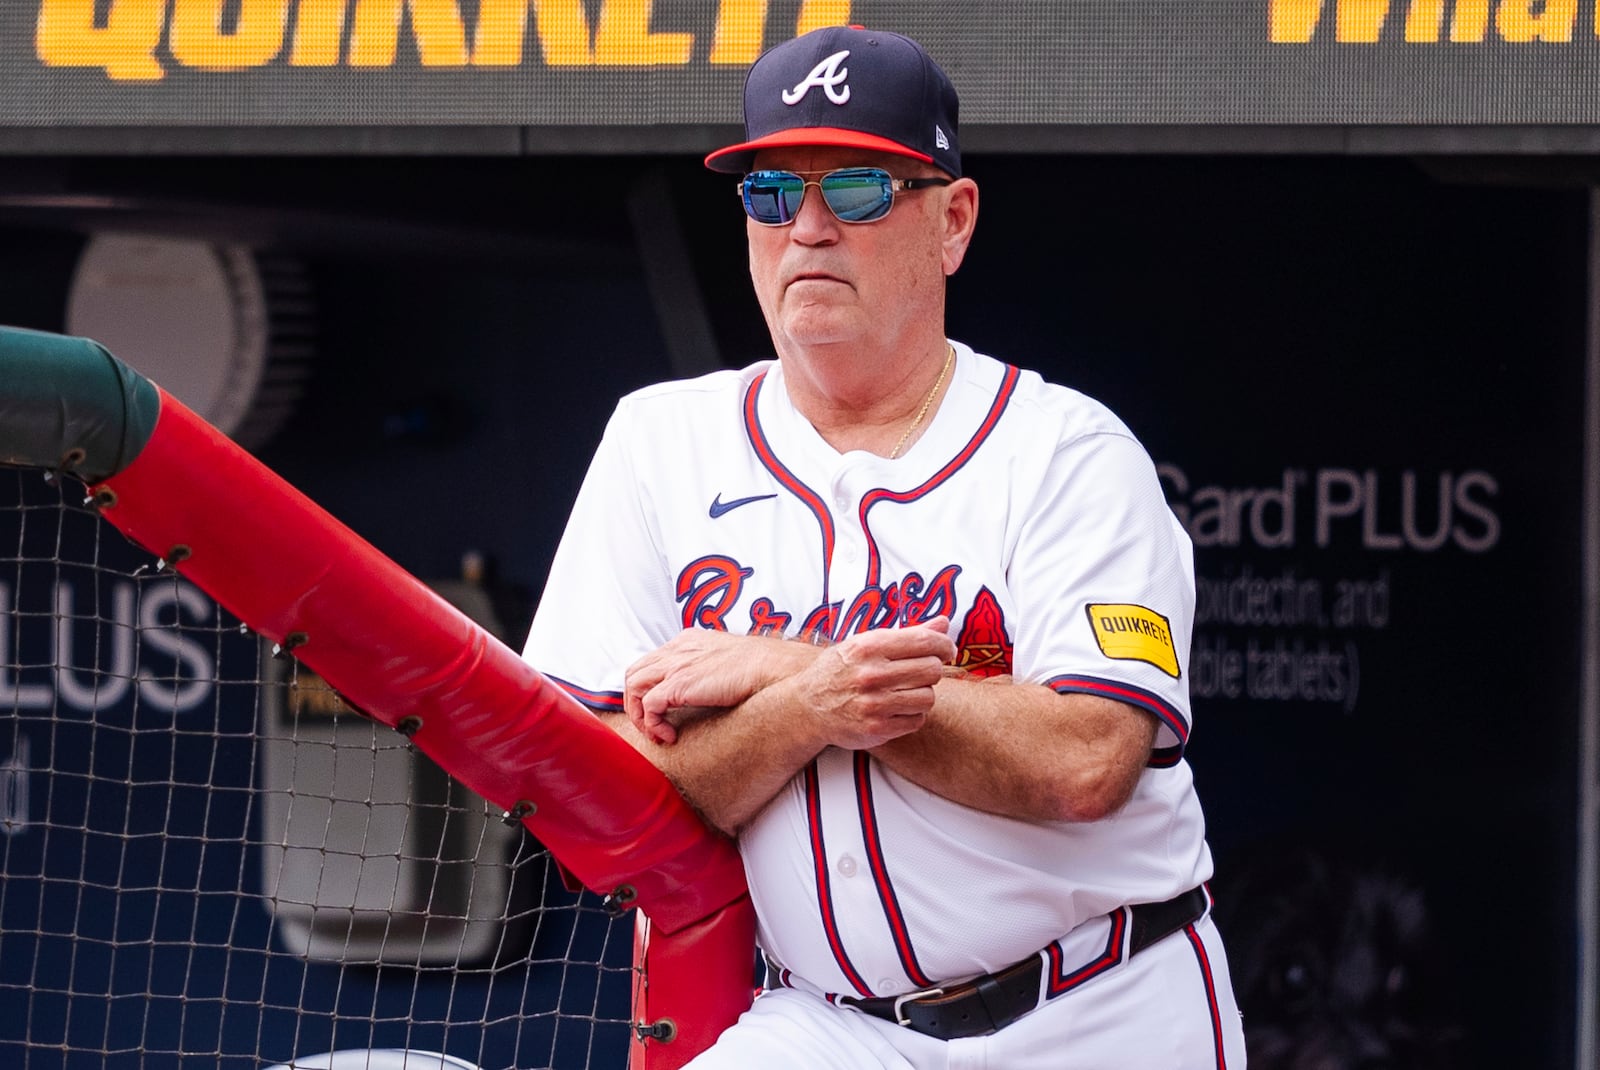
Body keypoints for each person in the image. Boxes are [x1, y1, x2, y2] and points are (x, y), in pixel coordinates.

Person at [523, 24, 1246, 1069]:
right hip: (828, 1025)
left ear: (951, 221)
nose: (806, 228)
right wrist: (809, 710)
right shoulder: (657, 442)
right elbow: (595, 801)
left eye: (854, 190)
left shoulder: (1069, 452)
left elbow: (1087, 759)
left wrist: (791, 669)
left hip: (1095, 1003)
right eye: (771, 194)